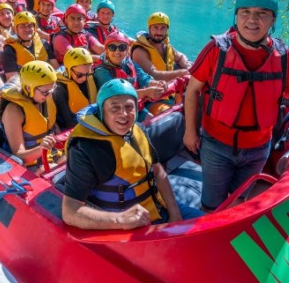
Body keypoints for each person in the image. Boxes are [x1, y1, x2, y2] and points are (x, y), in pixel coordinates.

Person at [183, 0, 289, 211]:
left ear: (273, 19)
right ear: (236, 16)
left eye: (262, 13)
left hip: (258, 149)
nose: (252, 20)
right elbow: (192, 91)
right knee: (212, 203)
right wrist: (190, 132)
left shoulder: (284, 56)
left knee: (239, 201)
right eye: (245, 12)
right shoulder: (217, 50)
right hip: (216, 145)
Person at [62, 79, 202, 230]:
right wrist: (120, 220)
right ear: (102, 111)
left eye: (129, 107)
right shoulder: (85, 149)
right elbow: (70, 211)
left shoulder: (137, 130)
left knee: (214, 230)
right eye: (114, 108)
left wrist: (175, 213)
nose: (123, 114)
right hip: (127, 227)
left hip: (159, 208)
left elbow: (158, 172)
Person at [0, 61, 62, 171]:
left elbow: (53, 128)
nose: (50, 95)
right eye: (46, 92)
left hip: (52, 155)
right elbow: (19, 155)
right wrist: (41, 148)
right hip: (31, 165)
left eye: (52, 89)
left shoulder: (44, 98)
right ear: (28, 88)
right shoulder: (13, 111)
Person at [93, 32, 169, 121]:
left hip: (136, 107)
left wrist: (157, 84)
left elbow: (144, 79)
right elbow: (117, 95)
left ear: (127, 50)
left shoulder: (129, 62)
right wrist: (145, 92)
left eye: (122, 47)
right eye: (112, 47)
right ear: (106, 50)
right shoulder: (101, 71)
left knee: (156, 122)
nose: (117, 51)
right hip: (116, 114)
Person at [131, 12, 192, 82]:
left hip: (171, 88)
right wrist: (182, 73)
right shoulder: (140, 51)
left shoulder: (166, 47)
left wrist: (188, 67)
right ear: (149, 28)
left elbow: (181, 57)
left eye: (163, 28)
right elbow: (153, 75)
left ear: (167, 30)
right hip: (152, 90)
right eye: (155, 27)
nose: (159, 32)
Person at [0, 11, 59, 81]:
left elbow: (56, 68)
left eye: (30, 26)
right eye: (22, 26)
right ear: (16, 29)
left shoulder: (43, 43)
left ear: (34, 28)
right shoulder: (9, 50)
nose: (27, 29)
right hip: (26, 86)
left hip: (47, 82)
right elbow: (13, 80)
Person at [53, 48, 97, 130]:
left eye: (87, 74)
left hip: (91, 119)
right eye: (80, 75)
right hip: (72, 126)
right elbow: (68, 121)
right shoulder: (59, 87)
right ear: (68, 70)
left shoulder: (90, 78)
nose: (84, 78)